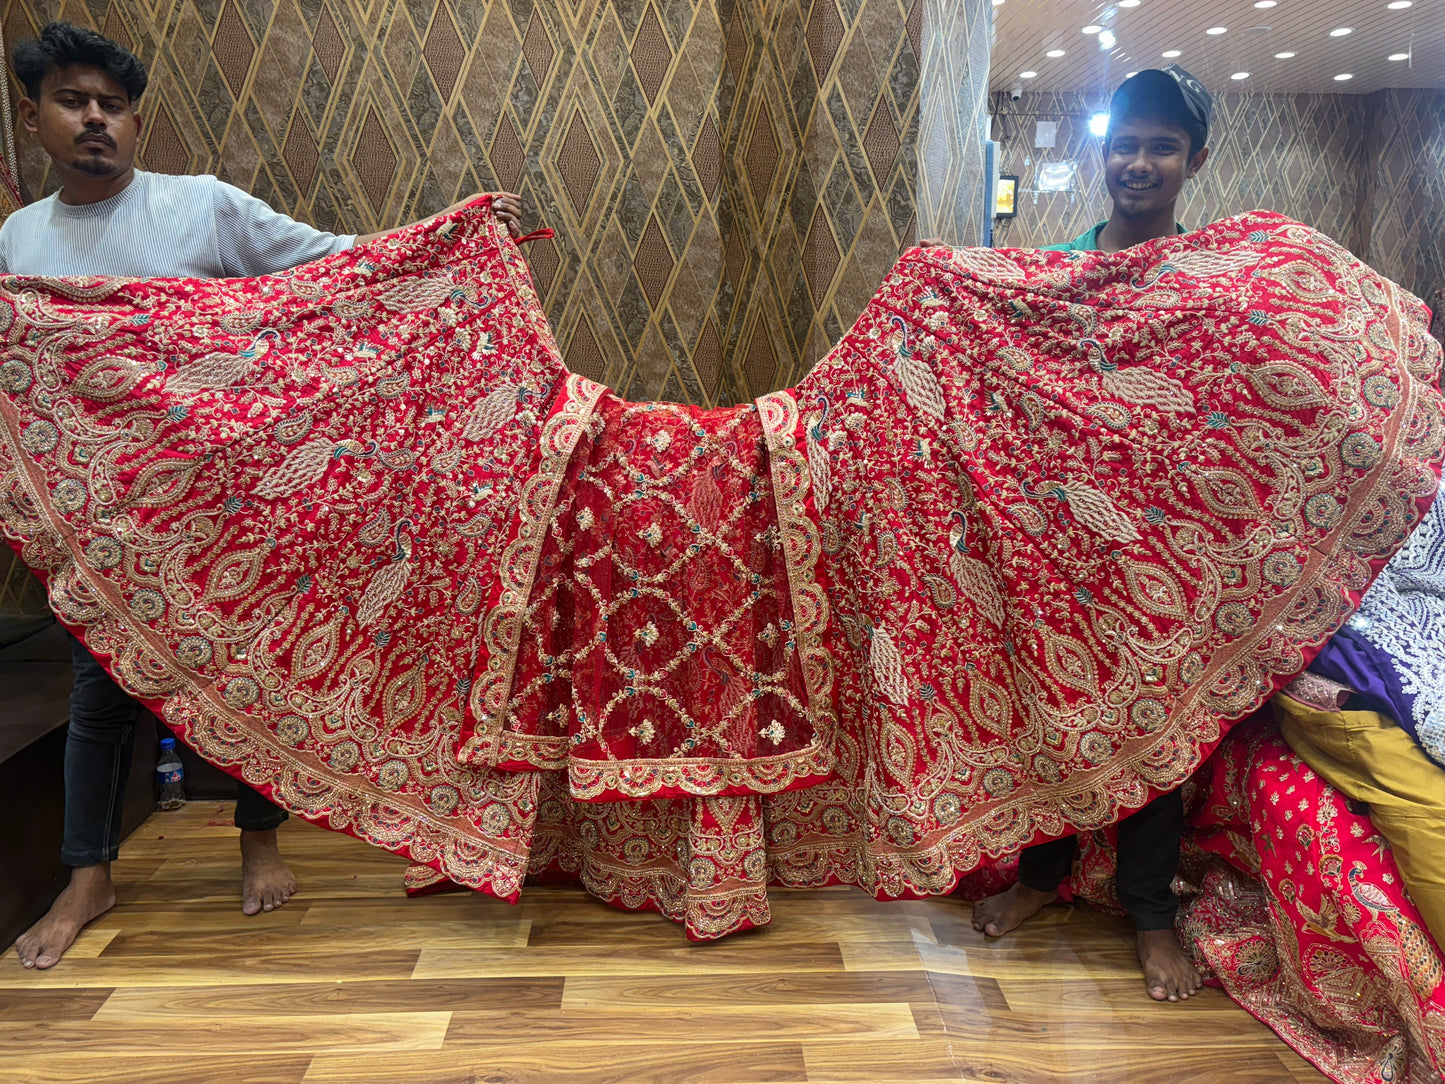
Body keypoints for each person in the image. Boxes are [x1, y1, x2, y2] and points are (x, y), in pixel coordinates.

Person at [4, 21, 523, 970]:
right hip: (102, 521)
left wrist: (448, 249)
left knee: (250, 670)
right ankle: (88, 876)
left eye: (112, 106)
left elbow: (334, 265)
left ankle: (259, 839)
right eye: (72, 101)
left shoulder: (201, 207)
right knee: (96, 698)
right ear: (33, 115)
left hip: (221, 502)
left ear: (133, 122)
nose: (94, 120)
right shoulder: (20, 240)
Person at [968, 66, 1213, 1003]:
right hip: (1057, 539)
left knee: (1152, 720)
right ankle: (1040, 879)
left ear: (1193, 160)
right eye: (1124, 143)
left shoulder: (1204, 283)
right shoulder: (1054, 274)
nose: (1138, 162)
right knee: (1051, 706)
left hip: (1166, 545)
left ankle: (1150, 916)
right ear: (1100, 153)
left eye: (1160, 146)